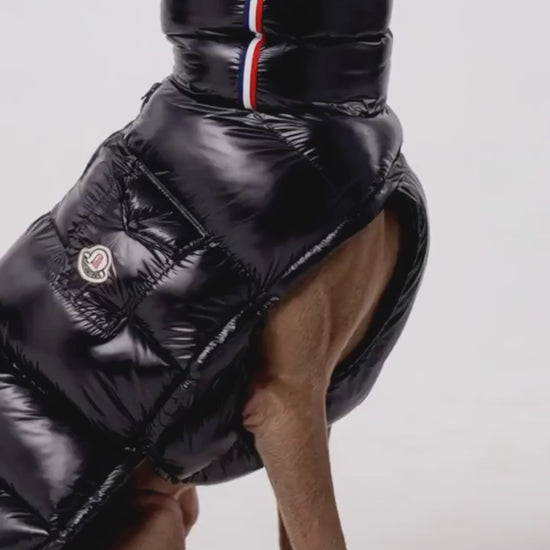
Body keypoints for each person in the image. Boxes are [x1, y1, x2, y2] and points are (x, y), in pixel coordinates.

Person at [0, 1, 428, 548]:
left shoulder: (268, 146)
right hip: (61, 522)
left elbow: (298, 399)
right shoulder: (288, 175)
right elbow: (281, 407)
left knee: (165, 505)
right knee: (157, 515)